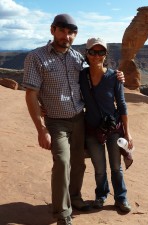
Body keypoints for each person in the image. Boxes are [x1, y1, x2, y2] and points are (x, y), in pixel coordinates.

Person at [23, 14, 124, 225]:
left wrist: (117, 76)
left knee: (78, 163)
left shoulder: (77, 58)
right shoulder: (37, 57)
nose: (66, 36)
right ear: (53, 30)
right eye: (62, 31)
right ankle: (62, 213)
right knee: (62, 161)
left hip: (79, 119)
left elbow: (96, 72)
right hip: (55, 121)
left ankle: (75, 198)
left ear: (74, 34)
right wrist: (41, 129)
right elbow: (31, 93)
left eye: (70, 33)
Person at [79, 37, 133, 212]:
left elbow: (122, 104)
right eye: (93, 52)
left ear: (105, 54)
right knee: (100, 168)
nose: (96, 56)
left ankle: (121, 198)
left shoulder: (114, 76)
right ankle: (101, 196)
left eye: (100, 52)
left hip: (113, 129)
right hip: (92, 129)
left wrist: (127, 132)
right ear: (87, 54)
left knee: (116, 168)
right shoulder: (81, 76)